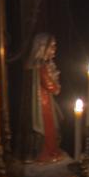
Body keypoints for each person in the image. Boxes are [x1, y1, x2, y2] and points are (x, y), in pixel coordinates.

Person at [20, 32, 64, 163]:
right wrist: (56, 86)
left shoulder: (33, 65)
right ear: (42, 47)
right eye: (52, 46)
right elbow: (50, 85)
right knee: (47, 129)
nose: (54, 50)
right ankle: (46, 153)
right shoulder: (40, 66)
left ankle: (43, 152)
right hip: (42, 105)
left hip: (40, 103)